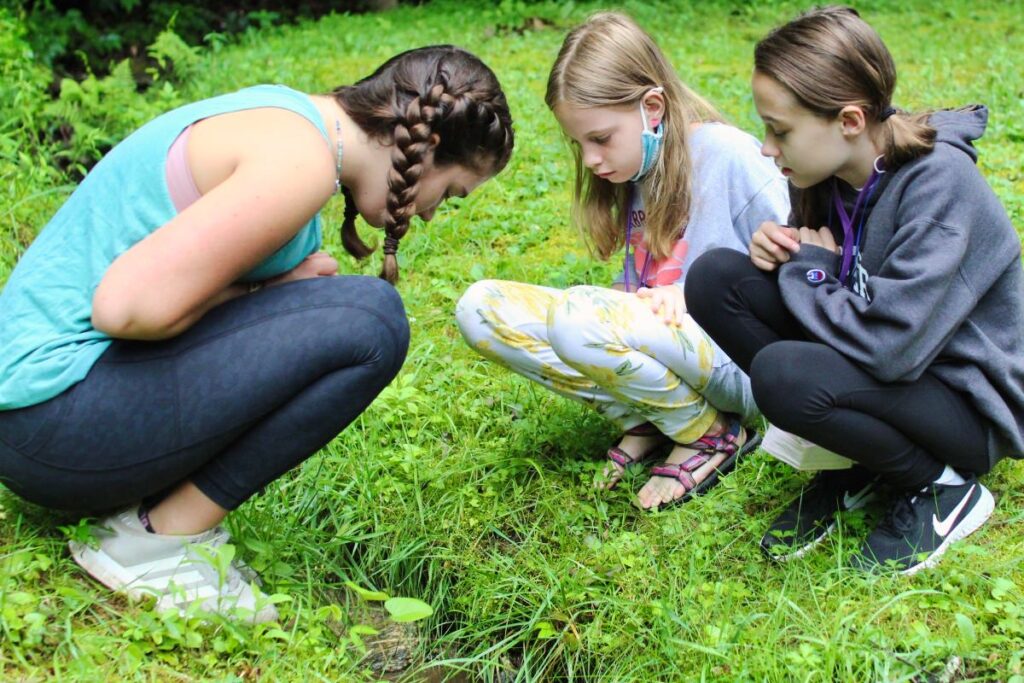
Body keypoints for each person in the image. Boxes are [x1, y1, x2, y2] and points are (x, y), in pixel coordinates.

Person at [0, 45, 514, 620]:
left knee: (351, 313)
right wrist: (266, 292)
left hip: (37, 421)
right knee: (373, 321)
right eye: (448, 194)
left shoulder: (288, 120)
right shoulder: (299, 162)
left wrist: (280, 287)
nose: (429, 213)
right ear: (427, 146)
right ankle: (154, 544)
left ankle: (150, 522)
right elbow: (124, 309)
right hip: (50, 422)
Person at [687, 6, 1024, 574]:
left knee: (784, 375)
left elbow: (892, 345)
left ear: (848, 120)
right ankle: (861, 463)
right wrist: (788, 252)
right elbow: (846, 284)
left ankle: (941, 488)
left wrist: (810, 270)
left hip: (966, 401)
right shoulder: (832, 175)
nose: (767, 148)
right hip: (897, 371)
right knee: (717, 280)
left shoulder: (939, 183)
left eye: (781, 130)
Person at [456, 12, 788, 509]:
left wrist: (699, 297)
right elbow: (643, 285)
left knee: (577, 317)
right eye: (579, 143)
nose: (590, 158)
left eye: (601, 138)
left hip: (740, 364)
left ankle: (709, 434)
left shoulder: (731, 156)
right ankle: (647, 420)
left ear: (651, 107)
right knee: (481, 307)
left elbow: (805, 276)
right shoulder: (638, 173)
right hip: (673, 349)